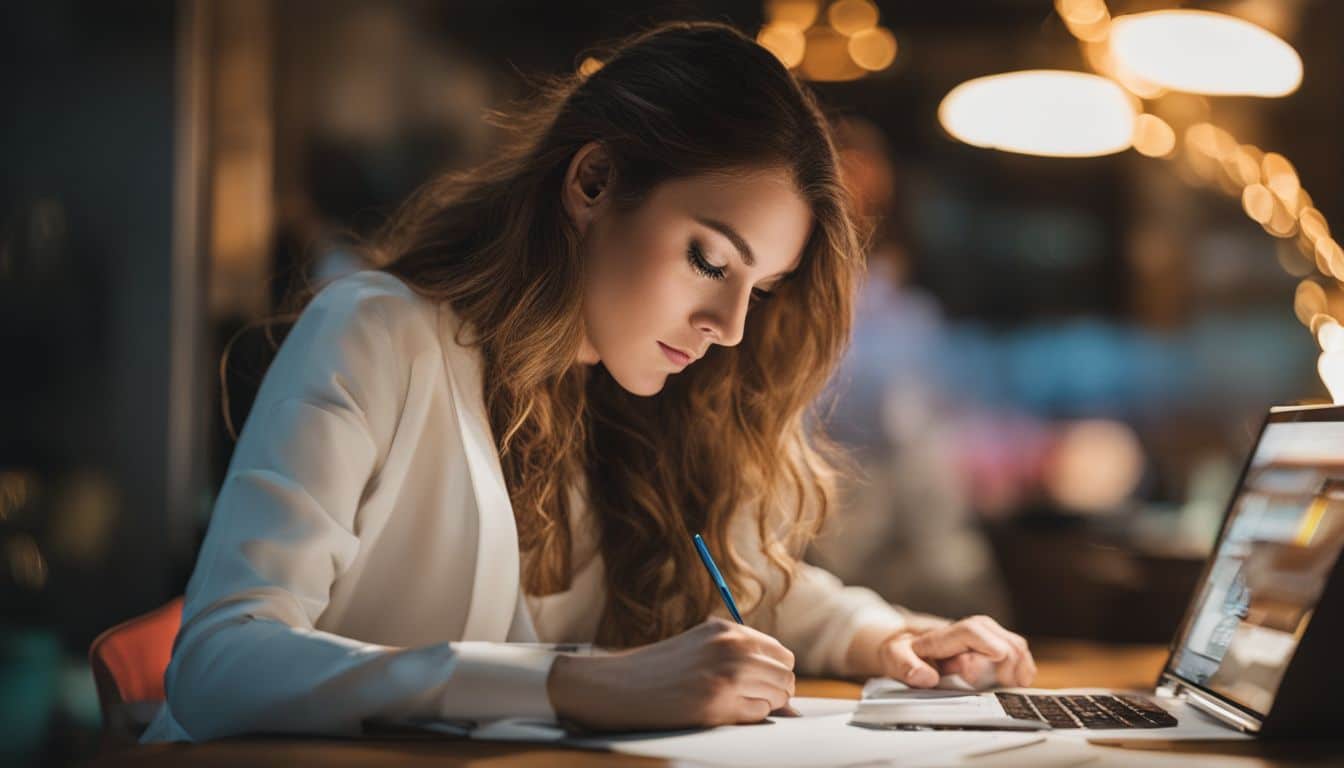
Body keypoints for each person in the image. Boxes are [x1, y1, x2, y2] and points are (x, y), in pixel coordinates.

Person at [141, 21, 1034, 743]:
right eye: (707, 259)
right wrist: (579, 684)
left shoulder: (626, 396)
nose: (728, 330)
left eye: (757, 291)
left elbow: (746, 578)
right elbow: (221, 662)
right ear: (594, 180)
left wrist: (893, 640)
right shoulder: (376, 335)